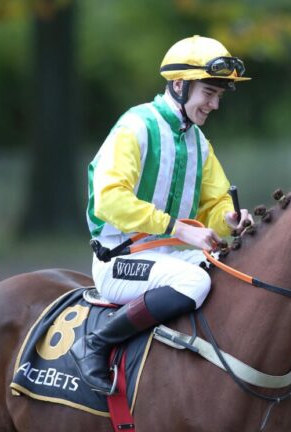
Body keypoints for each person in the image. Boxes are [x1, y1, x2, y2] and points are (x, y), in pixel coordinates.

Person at [70, 35, 254, 395]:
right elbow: (109, 200)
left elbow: (214, 204)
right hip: (119, 260)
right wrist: (179, 230)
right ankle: (94, 344)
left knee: (236, 273)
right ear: (180, 85)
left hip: (168, 258)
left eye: (219, 95)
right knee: (195, 283)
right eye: (209, 93)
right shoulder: (135, 127)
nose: (215, 104)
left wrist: (229, 219)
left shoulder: (198, 142)